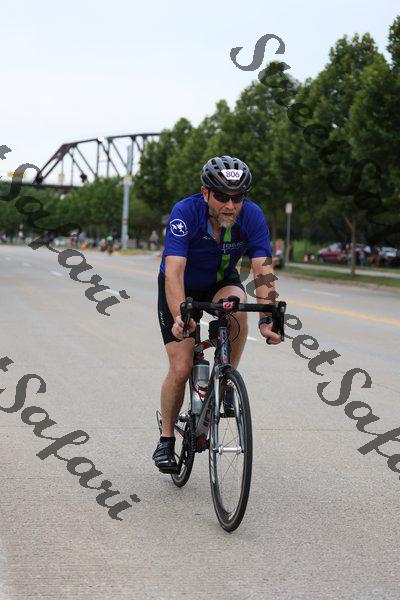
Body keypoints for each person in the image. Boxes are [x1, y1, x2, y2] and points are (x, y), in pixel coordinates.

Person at [153, 155, 281, 473]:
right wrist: (180, 315)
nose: (230, 205)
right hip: (182, 287)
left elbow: (262, 269)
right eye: (222, 197)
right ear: (205, 192)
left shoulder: (252, 215)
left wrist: (268, 317)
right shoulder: (185, 212)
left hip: (221, 283)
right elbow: (174, 272)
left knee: (238, 309)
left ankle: (225, 379)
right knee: (181, 367)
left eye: (238, 198)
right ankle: (166, 439)